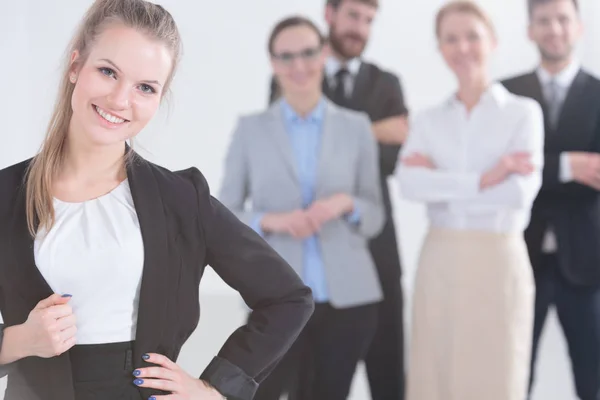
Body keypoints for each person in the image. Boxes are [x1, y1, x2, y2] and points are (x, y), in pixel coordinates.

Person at [0, 1, 314, 399]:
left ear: (159, 98)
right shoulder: (5, 196)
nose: (119, 99)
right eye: (108, 71)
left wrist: (214, 389)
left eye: (145, 87)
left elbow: (288, 298)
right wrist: (21, 341)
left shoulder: (180, 200)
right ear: (76, 66)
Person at [219, 15, 384, 400]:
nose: (299, 66)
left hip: (349, 298)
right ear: (273, 63)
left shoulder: (357, 127)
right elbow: (222, 214)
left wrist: (347, 203)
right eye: (286, 56)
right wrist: (272, 220)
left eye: (308, 53)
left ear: (324, 54)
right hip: (277, 298)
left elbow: (375, 216)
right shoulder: (250, 130)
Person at [395, 2, 545, 400]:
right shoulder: (428, 120)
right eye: (450, 39)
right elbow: (409, 186)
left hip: (498, 260)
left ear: (492, 42)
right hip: (440, 259)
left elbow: (517, 194)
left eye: (472, 36)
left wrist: (441, 181)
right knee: (435, 374)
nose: (462, 47)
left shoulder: (523, 114)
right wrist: (485, 178)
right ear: (440, 48)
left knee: (498, 375)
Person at [270, 2, 409, 397]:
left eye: (368, 20)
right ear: (329, 14)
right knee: (314, 384)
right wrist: (371, 130)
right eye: (352, 16)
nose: (359, 28)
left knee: (388, 376)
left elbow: (391, 159)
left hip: (376, 254)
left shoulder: (387, 84)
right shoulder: (291, 76)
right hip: (315, 258)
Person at [501, 0, 600, 399]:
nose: (554, 28)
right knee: (514, 375)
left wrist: (532, 168)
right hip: (521, 255)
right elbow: (497, 171)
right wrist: (564, 166)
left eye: (562, 19)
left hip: (588, 260)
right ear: (530, 29)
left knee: (592, 378)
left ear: (578, 27)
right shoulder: (506, 94)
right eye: (543, 20)